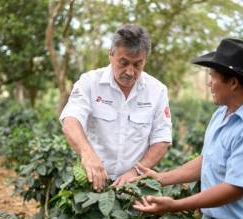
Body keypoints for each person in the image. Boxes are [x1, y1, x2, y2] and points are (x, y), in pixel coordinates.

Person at [133, 38, 243, 219]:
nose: (208, 82)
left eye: (213, 76)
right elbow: (207, 161)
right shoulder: (222, 113)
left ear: (233, 83)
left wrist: (174, 206)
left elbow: (234, 189)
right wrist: (161, 179)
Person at [60, 24, 172, 192]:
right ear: (111, 55)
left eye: (137, 65)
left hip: (134, 185)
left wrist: (135, 171)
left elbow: (161, 139)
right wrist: (87, 154)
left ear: (145, 60)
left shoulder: (157, 90)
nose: (130, 71)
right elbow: (70, 120)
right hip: (91, 182)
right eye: (123, 62)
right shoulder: (89, 82)